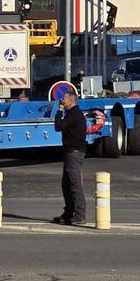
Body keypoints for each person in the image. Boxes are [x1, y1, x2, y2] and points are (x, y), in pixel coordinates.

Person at [52, 91, 88, 226]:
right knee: (66, 184)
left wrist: (59, 111)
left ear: (71, 101)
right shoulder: (73, 114)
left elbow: (58, 126)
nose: (62, 101)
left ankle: (80, 215)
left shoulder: (74, 114)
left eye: (64, 99)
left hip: (74, 152)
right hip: (70, 152)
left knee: (74, 184)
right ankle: (68, 214)